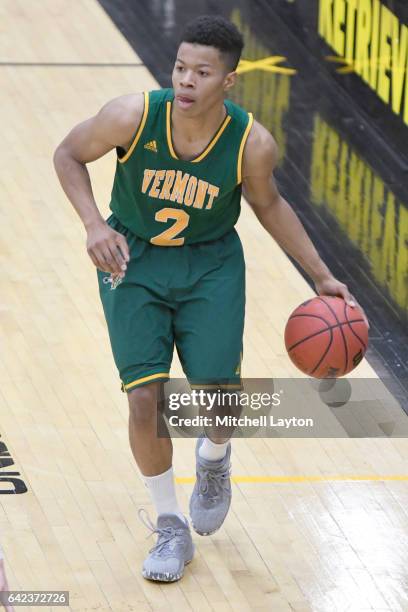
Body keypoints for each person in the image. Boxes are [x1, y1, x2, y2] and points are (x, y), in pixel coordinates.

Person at [53, 15, 367, 582]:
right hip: (135, 261)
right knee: (144, 399)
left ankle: (215, 458)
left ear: (229, 81)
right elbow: (68, 154)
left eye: (202, 72)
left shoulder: (251, 143)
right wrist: (94, 224)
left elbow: (270, 206)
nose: (186, 81)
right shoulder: (132, 115)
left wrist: (321, 275)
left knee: (219, 400)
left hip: (211, 266)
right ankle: (170, 525)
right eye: (180, 67)